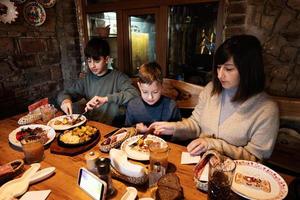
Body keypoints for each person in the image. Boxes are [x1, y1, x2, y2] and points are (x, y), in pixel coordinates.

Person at [150, 35, 279, 161]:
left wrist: (213, 144)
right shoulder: (211, 89)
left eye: (228, 69)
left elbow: (255, 157)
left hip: (235, 175)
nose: (220, 75)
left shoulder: (266, 109)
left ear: (248, 70)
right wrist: (173, 128)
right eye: (218, 67)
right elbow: (196, 124)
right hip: (200, 165)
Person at [57, 37, 139, 125]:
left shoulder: (118, 77)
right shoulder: (86, 79)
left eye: (96, 61)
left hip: (113, 127)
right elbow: (65, 93)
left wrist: (106, 99)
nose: (92, 66)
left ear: (107, 59)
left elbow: (134, 94)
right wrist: (65, 101)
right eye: (89, 61)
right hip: (92, 125)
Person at [125, 62, 181, 133]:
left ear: (161, 86)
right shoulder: (132, 105)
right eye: (145, 92)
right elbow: (127, 130)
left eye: (155, 92)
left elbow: (178, 133)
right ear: (139, 86)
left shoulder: (171, 106)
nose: (150, 97)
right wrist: (137, 130)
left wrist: (166, 131)